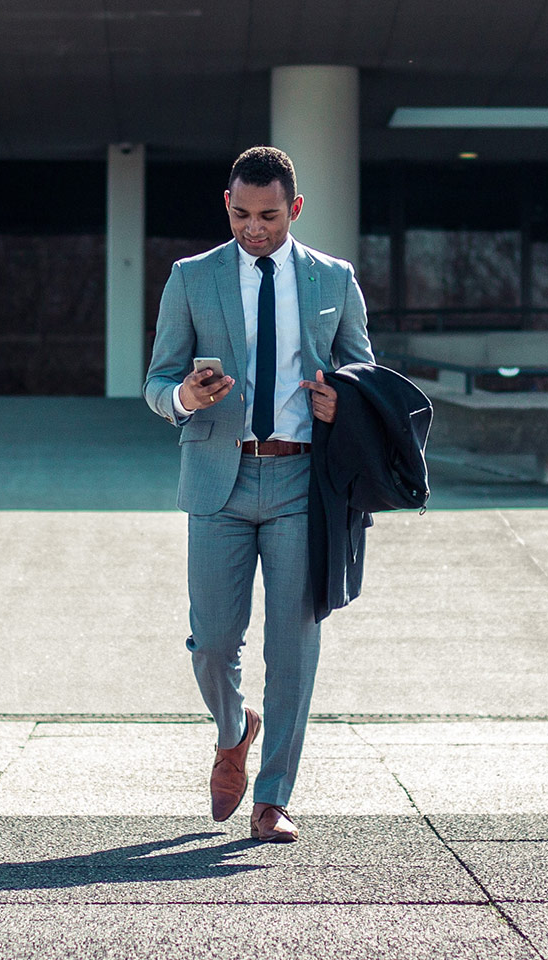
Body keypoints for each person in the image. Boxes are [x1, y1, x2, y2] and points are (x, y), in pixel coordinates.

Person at [143, 146, 374, 843]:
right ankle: (233, 726)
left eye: (268, 215)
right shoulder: (191, 279)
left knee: (294, 644)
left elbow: (366, 373)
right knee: (212, 642)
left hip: (304, 481)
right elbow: (155, 383)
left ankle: (272, 797)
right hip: (220, 476)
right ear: (227, 205)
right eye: (241, 213)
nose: (254, 228)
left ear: (294, 209)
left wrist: (346, 405)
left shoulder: (334, 279)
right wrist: (182, 395)